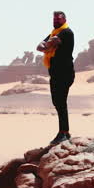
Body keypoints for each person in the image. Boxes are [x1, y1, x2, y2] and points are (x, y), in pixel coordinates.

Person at [36, 11, 75, 145]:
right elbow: (39, 46)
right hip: (55, 73)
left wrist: (47, 46)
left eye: (58, 19)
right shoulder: (54, 32)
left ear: (64, 19)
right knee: (57, 102)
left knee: (61, 102)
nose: (55, 21)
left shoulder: (66, 32)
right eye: (54, 19)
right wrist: (47, 46)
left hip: (64, 73)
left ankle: (63, 132)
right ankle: (64, 132)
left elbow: (48, 44)